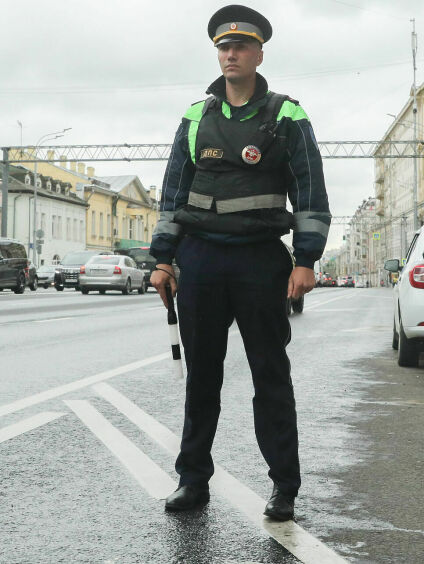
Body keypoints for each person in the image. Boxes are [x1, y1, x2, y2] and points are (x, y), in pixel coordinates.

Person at [149, 4, 330, 522]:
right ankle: (191, 480)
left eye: (241, 47)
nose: (231, 54)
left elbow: (311, 192)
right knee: (201, 378)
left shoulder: (286, 115)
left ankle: (284, 488)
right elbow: (172, 195)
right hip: (200, 260)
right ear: (218, 54)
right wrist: (163, 261)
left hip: (259, 262)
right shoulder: (195, 116)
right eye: (223, 48)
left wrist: (306, 260)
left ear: (258, 54)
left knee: (270, 375)